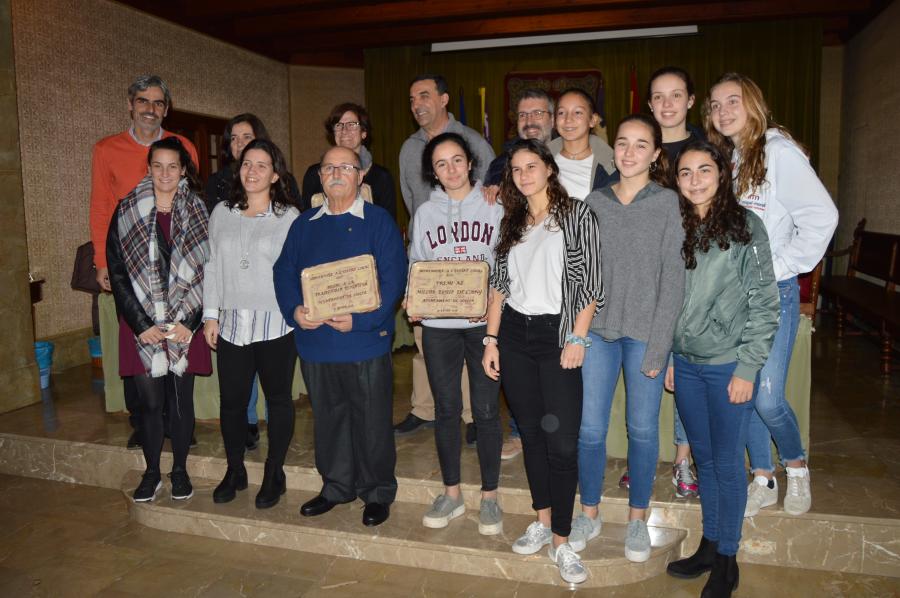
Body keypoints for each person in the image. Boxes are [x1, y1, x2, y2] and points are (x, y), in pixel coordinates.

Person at [705, 73, 838, 517]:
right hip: (730, 298)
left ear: (754, 104)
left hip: (771, 293)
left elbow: (822, 216)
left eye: (732, 101)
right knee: (739, 391)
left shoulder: (777, 152)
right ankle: (762, 476)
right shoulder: (727, 159)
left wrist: (778, 267)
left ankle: (796, 467)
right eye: (715, 104)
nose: (723, 111)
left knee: (765, 394)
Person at [482, 138, 603, 584]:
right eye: (515, 169)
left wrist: (578, 337)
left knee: (563, 443)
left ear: (548, 168)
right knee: (531, 434)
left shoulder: (576, 215)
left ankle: (562, 540)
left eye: (531, 166)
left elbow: (590, 282)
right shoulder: (511, 221)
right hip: (514, 335)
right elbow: (498, 285)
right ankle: (542, 518)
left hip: (557, 335)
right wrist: (490, 340)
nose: (523, 174)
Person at [665, 140, 780, 597]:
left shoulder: (746, 227)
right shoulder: (674, 226)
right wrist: (672, 355)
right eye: (685, 172)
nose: (695, 180)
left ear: (721, 174)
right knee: (705, 458)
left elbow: (765, 304)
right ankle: (710, 543)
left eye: (704, 170)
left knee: (729, 464)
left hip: (728, 362)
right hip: (687, 364)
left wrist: (748, 368)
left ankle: (728, 559)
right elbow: (669, 300)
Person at [274, 146, 406, 527]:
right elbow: (284, 272)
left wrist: (361, 321)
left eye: (344, 167)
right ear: (319, 176)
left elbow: (392, 280)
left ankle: (377, 491)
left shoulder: (378, 221)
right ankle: (336, 486)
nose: (335, 173)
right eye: (327, 167)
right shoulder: (304, 224)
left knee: (372, 421)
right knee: (329, 420)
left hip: (363, 341)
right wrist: (294, 311)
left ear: (359, 175)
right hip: (316, 344)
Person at [572, 114, 685, 563]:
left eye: (641, 144)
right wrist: (576, 335)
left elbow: (674, 279)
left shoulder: (668, 204)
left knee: (641, 429)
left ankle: (638, 519)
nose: (630, 152)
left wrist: (661, 345)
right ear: (612, 149)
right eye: (622, 143)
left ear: (657, 153)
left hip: (645, 335)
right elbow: (579, 273)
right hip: (598, 332)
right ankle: (589, 512)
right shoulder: (593, 202)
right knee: (590, 429)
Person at [90, 74, 198, 450]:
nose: (150, 109)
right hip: (130, 267)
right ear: (130, 104)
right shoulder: (107, 149)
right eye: (143, 101)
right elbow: (102, 205)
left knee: (175, 343)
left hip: (175, 263)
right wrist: (102, 261)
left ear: (165, 108)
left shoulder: (183, 146)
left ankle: (178, 420)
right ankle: (145, 421)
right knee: (137, 341)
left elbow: (191, 201)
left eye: (157, 103)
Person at [409, 132, 504, 535]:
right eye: (441, 163)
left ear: (471, 163)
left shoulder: (494, 206)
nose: (451, 169)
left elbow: (504, 266)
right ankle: (452, 493)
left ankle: (490, 496)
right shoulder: (425, 214)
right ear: (432, 171)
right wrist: (411, 299)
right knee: (446, 410)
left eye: (457, 160)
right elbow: (417, 264)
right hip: (438, 326)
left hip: (484, 325)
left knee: (484, 411)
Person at [619, 66, 707, 497]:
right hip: (653, 274)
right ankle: (642, 460)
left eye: (676, 95)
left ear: (691, 101)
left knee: (683, 361)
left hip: (697, 262)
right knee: (658, 366)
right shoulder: (637, 148)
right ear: (649, 103)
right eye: (658, 96)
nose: (667, 104)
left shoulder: (705, 147)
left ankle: (683, 459)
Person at [106, 136, 210, 502]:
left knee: (181, 402)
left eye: (172, 166)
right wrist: (140, 324)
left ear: (183, 170)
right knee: (150, 404)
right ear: (148, 168)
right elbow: (118, 274)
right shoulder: (127, 209)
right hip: (142, 326)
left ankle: (179, 470)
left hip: (185, 322)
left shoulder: (198, 211)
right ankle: (152, 472)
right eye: (157, 165)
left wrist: (191, 322)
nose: (164, 173)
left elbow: (209, 273)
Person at [396, 74, 496, 441]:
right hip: (431, 254)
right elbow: (411, 197)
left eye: (424, 95)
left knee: (471, 341)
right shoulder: (409, 148)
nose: (417, 104)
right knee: (427, 341)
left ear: (444, 98)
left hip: (471, 255)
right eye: (411, 99)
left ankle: (472, 416)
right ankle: (425, 408)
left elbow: (491, 183)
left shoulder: (472, 140)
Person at [203, 139, 300, 509]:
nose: (252, 171)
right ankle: (235, 470)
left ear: (275, 174)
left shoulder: (288, 217)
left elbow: (294, 271)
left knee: (277, 401)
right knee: (232, 403)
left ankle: (275, 472)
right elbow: (212, 266)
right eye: (247, 164)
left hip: (275, 324)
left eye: (262, 165)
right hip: (231, 324)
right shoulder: (221, 213)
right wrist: (210, 315)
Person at [484, 88, 556, 461]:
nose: (530, 121)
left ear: (552, 118)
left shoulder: (571, 157)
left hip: (560, 298)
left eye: (538, 113)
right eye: (523, 114)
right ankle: (520, 433)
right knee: (522, 377)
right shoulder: (500, 163)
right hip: (516, 283)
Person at [300, 102, 396, 218]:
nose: (344, 131)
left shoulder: (381, 177)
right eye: (339, 125)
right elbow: (306, 220)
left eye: (352, 124)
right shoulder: (314, 174)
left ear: (364, 133)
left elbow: (387, 224)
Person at [547, 88, 615, 200]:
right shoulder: (541, 160)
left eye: (577, 112)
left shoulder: (611, 165)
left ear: (593, 120)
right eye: (561, 113)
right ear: (555, 121)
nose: (568, 119)